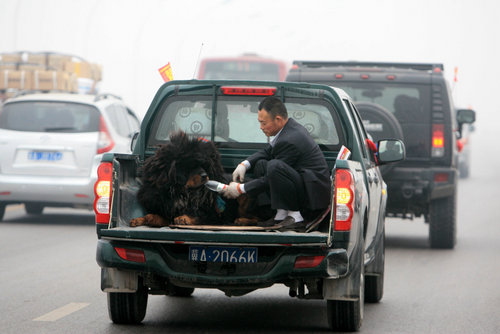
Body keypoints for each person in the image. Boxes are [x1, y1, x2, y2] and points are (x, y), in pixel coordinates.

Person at [220, 96, 331, 226]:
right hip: (301, 184)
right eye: (259, 122)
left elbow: (270, 177)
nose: (261, 127)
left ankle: (295, 216)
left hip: (311, 197)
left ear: (278, 119)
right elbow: (267, 151)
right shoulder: (287, 129)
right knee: (262, 164)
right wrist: (244, 164)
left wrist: (241, 189)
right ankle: (280, 215)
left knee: (274, 166)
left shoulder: (291, 139)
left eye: (264, 123)